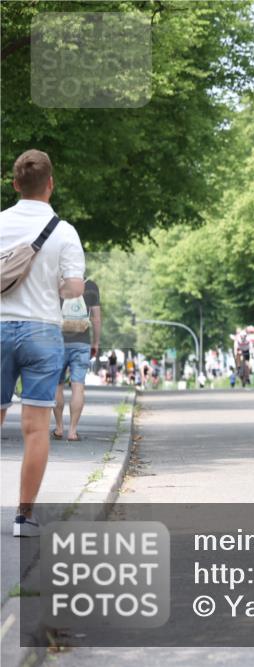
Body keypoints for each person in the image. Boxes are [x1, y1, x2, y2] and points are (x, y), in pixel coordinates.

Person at [1, 149, 85, 537]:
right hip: (42, 333)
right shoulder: (64, 232)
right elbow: (74, 288)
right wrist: (54, 288)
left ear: (15, 184)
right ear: (50, 184)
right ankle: (24, 517)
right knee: (35, 428)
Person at [52, 278, 101, 442]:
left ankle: (59, 428)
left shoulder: (56, 282)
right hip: (82, 343)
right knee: (78, 386)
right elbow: (96, 318)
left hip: (58, 342)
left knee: (57, 386)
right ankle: (72, 431)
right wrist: (96, 342)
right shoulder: (90, 285)